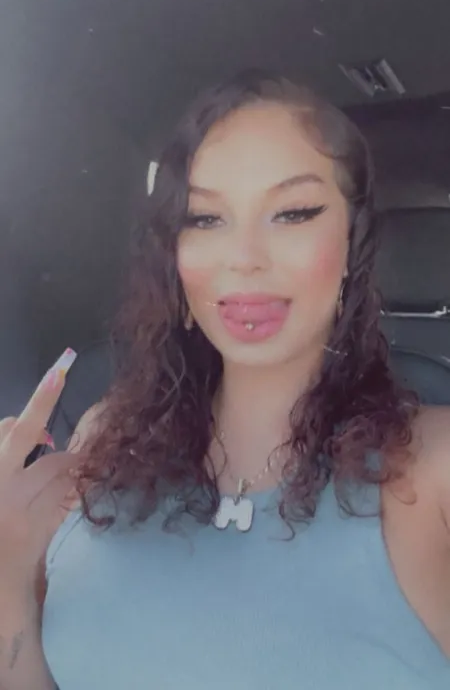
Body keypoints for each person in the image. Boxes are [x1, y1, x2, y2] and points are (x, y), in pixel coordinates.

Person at [1, 69, 450, 690]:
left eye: (292, 213)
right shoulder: (104, 439)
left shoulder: (432, 470)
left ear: (353, 242)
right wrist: (7, 570)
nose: (243, 258)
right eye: (206, 219)